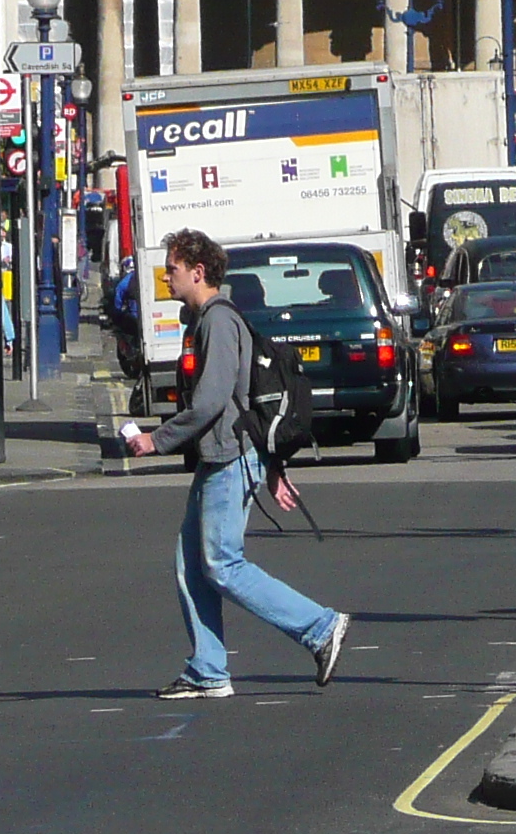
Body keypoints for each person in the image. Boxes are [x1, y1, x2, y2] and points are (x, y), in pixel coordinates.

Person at [115, 228, 350, 699]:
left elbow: (211, 402)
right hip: (219, 456)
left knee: (222, 564)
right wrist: (273, 468)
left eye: (173, 268)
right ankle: (208, 670)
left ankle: (320, 627)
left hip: (227, 456)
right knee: (192, 565)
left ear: (198, 272)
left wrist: (154, 441)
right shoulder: (205, 320)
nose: (166, 276)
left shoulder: (218, 322)